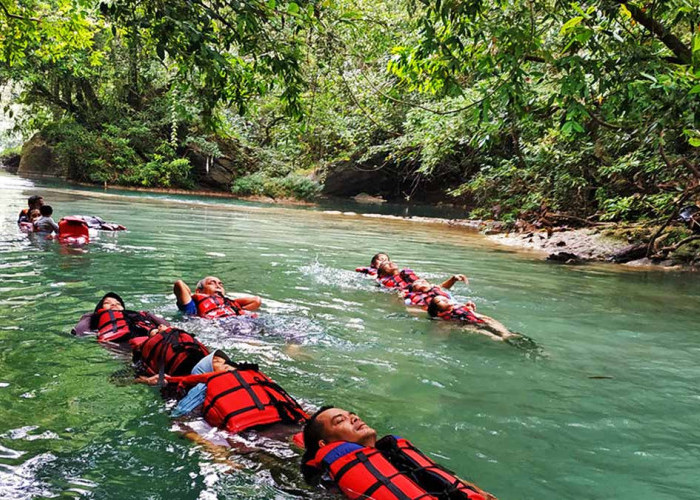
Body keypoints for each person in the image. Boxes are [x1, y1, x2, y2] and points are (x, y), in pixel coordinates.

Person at [300, 407, 496, 500]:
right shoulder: (330, 482)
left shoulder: (396, 453)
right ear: (324, 444)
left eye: (352, 415)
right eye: (340, 420)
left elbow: (446, 479)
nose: (354, 418)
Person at [166, 351, 308, 435]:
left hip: (289, 424)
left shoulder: (254, 377)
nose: (224, 361)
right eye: (216, 361)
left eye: (224, 360)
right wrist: (213, 450)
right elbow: (180, 422)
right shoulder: (202, 388)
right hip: (252, 433)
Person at [72, 292, 171, 343]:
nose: (114, 305)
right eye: (107, 303)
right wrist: (89, 316)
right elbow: (79, 332)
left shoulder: (137, 316)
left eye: (118, 303)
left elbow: (167, 326)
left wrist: (148, 314)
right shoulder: (94, 318)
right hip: (118, 344)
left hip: (148, 338)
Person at [427, 295, 517, 341]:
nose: (445, 299)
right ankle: (494, 337)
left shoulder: (459, 307)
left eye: (445, 298)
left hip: (476, 319)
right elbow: (441, 333)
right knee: (475, 329)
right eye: (440, 301)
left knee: (488, 320)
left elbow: (467, 313)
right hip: (461, 324)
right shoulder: (442, 319)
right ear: (438, 312)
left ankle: (506, 334)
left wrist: (470, 310)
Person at [173, 276, 261, 319]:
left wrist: (230, 304)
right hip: (219, 327)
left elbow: (256, 301)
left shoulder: (230, 304)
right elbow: (179, 284)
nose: (218, 286)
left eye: (220, 284)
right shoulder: (192, 306)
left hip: (242, 323)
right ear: (199, 291)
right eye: (212, 283)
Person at [402, 275, 469, 308]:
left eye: (424, 281)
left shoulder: (436, 290)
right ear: (413, 290)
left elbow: (443, 287)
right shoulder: (410, 299)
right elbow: (409, 309)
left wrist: (453, 279)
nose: (422, 281)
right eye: (418, 282)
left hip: (457, 308)